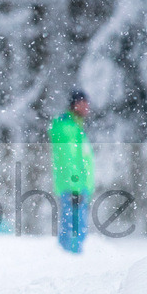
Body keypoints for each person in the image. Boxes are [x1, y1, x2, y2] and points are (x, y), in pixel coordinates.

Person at [49, 88, 95, 253]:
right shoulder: (67, 129)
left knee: (74, 224)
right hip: (73, 186)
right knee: (75, 226)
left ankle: (69, 255)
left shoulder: (75, 127)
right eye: (83, 103)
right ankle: (71, 257)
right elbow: (69, 160)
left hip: (78, 185)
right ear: (75, 105)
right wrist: (75, 188)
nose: (87, 107)